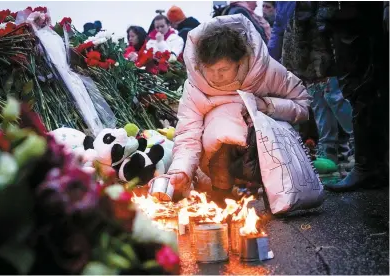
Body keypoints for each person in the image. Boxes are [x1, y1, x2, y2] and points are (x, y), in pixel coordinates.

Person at [164, 14, 311, 201]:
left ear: (239, 62)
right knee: (223, 127)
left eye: (223, 70)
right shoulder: (195, 86)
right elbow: (187, 133)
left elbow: (303, 104)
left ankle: (274, 194)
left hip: (269, 149)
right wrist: (181, 170)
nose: (215, 77)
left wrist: (267, 106)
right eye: (210, 70)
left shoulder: (265, 72)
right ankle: (222, 194)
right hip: (216, 156)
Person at [317, 1, 389, 191]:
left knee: (360, 87)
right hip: (350, 16)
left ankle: (367, 167)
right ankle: (374, 166)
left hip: (351, 16)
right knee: (364, 87)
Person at [281, 1, 354, 176]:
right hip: (307, 59)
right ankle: (329, 154)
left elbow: (329, 15)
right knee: (320, 104)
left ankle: (361, 150)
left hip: (326, 53)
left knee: (335, 99)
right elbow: (287, 28)